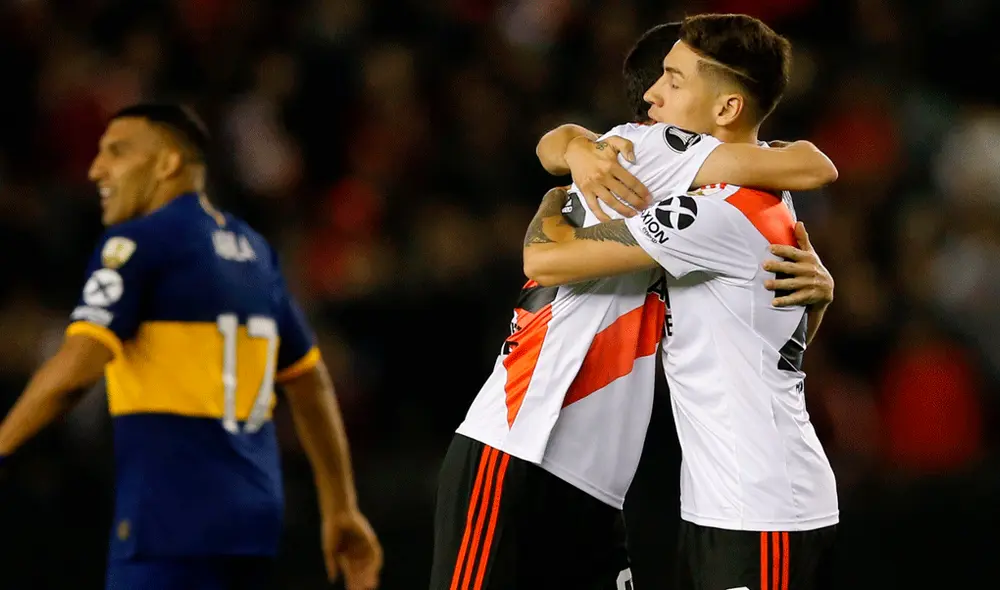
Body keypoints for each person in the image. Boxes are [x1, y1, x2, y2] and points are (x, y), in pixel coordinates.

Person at [430, 15, 835, 590]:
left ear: (720, 108)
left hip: (632, 485)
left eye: (673, 80)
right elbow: (545, 235)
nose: (654, 96)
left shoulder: (685, 172)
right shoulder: (649, 155)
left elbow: (809, 169)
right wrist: (570, 155)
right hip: (523, 441)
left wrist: (565, 166)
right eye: (660, 79)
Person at [0, 103, 382, 590]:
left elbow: (74, 373)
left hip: (168, 522)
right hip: (252, 525)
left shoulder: (136, 244)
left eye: (116, 152)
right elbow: (310, 383)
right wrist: (341, 507)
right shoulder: (254, 253)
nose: (97, 168)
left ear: (167, 164)